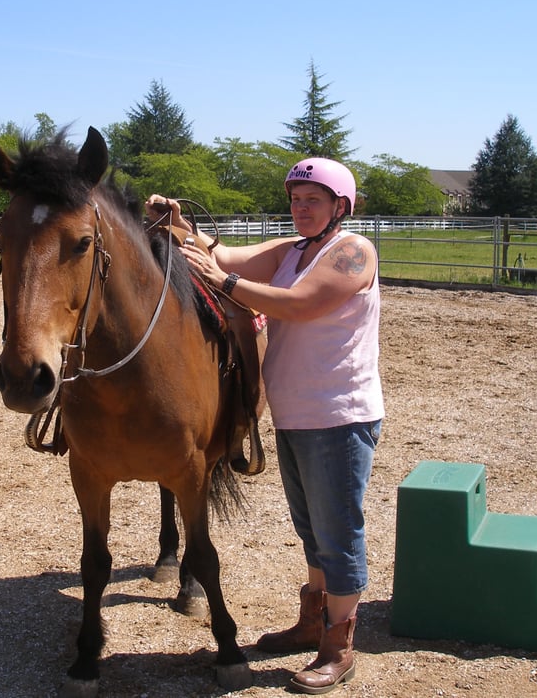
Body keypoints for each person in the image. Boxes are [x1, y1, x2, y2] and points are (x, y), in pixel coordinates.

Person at [146, 156, 383, 695]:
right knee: (312, 528)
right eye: (296, 200)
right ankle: (313, 620)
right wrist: (179, 223)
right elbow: (220, 254)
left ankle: (339, 647)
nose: (301, 209)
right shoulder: (292, 251)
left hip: (339, 416)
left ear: (340, 207)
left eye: (313, 200)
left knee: (339, 534)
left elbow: (299, 304)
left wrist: (225, 282)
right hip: (298, 415)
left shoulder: (352, 252)